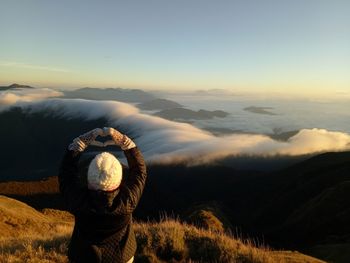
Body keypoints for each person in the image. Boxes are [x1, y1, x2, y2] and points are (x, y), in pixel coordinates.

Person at [58, 127, 147, 263]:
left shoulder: (78, 201)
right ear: (119, 180)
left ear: (89, 179)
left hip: (83, 257)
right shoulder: (128, 200)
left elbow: (66, 173)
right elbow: (140, 171)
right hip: (122, 257)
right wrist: (126, 143)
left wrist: (80, 143)